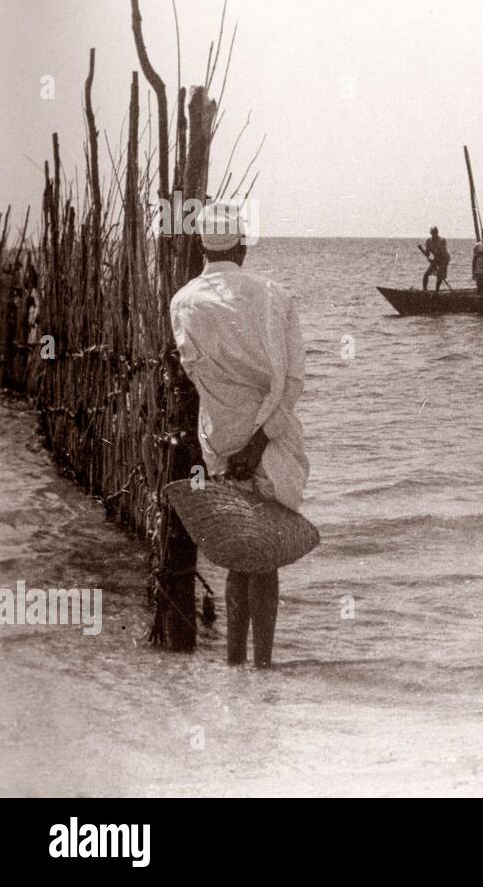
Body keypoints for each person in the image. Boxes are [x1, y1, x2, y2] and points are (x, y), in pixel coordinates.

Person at [169, 201, 308, 669]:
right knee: (264, 555)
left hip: (221, 439)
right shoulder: (275, 296)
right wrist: (262, 435)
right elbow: (291, 381)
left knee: (235, 552)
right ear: (243, 246)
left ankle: (233, 666)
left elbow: (197, 375)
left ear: (200, 247)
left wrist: (236, 441)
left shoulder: (183, 303)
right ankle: (262, 667)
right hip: (271, 438)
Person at [420, 226, 450, 292]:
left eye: (435, 232)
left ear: (437, 233)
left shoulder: (442, 240)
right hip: (436, 259)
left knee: (439, 274)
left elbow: (442, 252)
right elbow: (427, 254)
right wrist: (421, 249)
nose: (434, 234)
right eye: (433, 233)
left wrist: (434, 260)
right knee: (426, 274)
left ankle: (436, 292)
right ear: (431, 233)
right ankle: (425, 290)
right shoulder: (428, 241)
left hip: (444, 259)